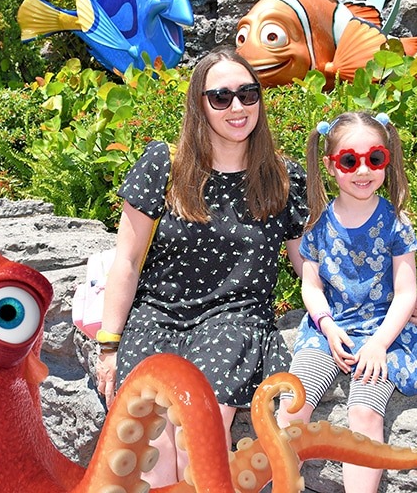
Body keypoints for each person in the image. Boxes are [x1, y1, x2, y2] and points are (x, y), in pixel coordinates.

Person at [95, 45, 309, 487]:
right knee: (152, 440)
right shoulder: (165, 166)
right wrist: (109, 346)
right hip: (159, 317)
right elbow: (128, 261)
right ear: (199, 104)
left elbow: (306, 264)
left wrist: (379, 300)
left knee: (196, 431)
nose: (237, 107)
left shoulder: (283, 178)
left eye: (249, 94)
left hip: (234, 319)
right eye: (221, 97)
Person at [277, 111, 417, 493]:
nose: (363, 170)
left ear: (387, 161)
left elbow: (406, 292)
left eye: (374, 158)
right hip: (329, 329)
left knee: (364, 411)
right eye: (350, 160)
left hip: (382, 332)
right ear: (332, 166)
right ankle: (283, 483)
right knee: (292, 403)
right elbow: (311, 287)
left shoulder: (396, 223)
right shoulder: (318, 224)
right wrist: (326, 325)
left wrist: (379, 344)